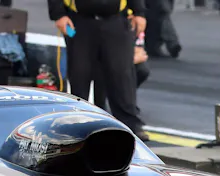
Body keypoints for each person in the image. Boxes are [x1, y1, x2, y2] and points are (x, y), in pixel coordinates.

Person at [48, 0, 149, 141]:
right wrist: (58, 14)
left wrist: (139, 12)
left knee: (121, 74)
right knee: (80, 74)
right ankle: (78, 123)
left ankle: (130, 124)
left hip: (116, 19)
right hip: (79, 21)